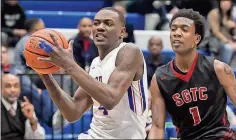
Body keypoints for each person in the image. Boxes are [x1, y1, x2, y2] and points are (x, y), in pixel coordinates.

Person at [36, 7, 149, 139]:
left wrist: (69, 64)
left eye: (108, 23)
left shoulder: (129, 51)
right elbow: (73, 112)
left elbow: (110, 99)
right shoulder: (95, 63)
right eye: (96, 23)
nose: (100, 27)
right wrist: (44, 74)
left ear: (122, 32)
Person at [148, 9, 236, 139]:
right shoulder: (160, 78)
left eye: (184, 29)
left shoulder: (218, 68)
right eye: (173, 29)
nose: (177, 33)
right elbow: (157, 127)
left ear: (197, 38)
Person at [1, 73, 45, 140]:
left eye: (16, 86)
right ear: (1, 89)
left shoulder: (25, 107)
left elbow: (39, 138)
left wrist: (32, 120)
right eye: (8, 86)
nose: (13, 90)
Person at [207, 0, 236, 65]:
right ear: (220, 2)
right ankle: (224, 68)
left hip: (228, 40)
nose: (226, 3)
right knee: (228, 48)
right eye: (224, 1)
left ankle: (230, 68)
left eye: (228, 2)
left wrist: (233, 26)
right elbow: (216, 32)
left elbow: (233, 33)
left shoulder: (230, 15)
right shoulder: (214, 13)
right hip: (215, 40)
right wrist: (229, 42)